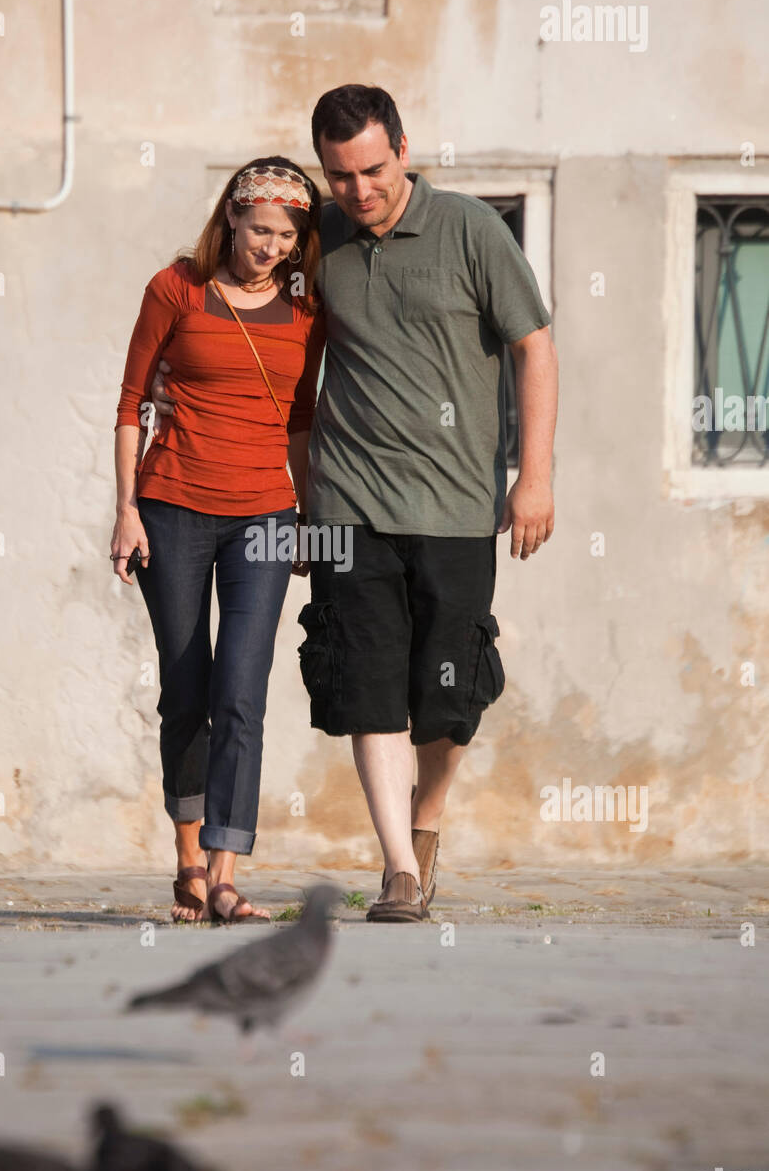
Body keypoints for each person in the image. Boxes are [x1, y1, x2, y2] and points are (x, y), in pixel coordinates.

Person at [151, 87, 558, 924]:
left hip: (454, 506)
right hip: (348, 505)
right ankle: (398, 870)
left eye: (372, 170)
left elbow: (534, 348)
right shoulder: (317, 237)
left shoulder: (472, 231)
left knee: (448, 695)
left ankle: (426, 820)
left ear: (402, 149)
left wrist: (534, 475)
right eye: (340, 176)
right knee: (367, 684)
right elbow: (238, 283)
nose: (358, 191)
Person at [111, 158, 325, 924]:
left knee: (241, 692)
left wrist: (306, 511)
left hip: (265, 516)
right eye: (260, 229)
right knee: (186, 688)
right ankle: (186, 863)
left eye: (287, 237)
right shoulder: (176, 287)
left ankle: (226, 874)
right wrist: (126, 509)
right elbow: (132, 403)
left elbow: (301, 419)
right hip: (171, 505)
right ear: (231, 217)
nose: (271, 247)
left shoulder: (306, 310)